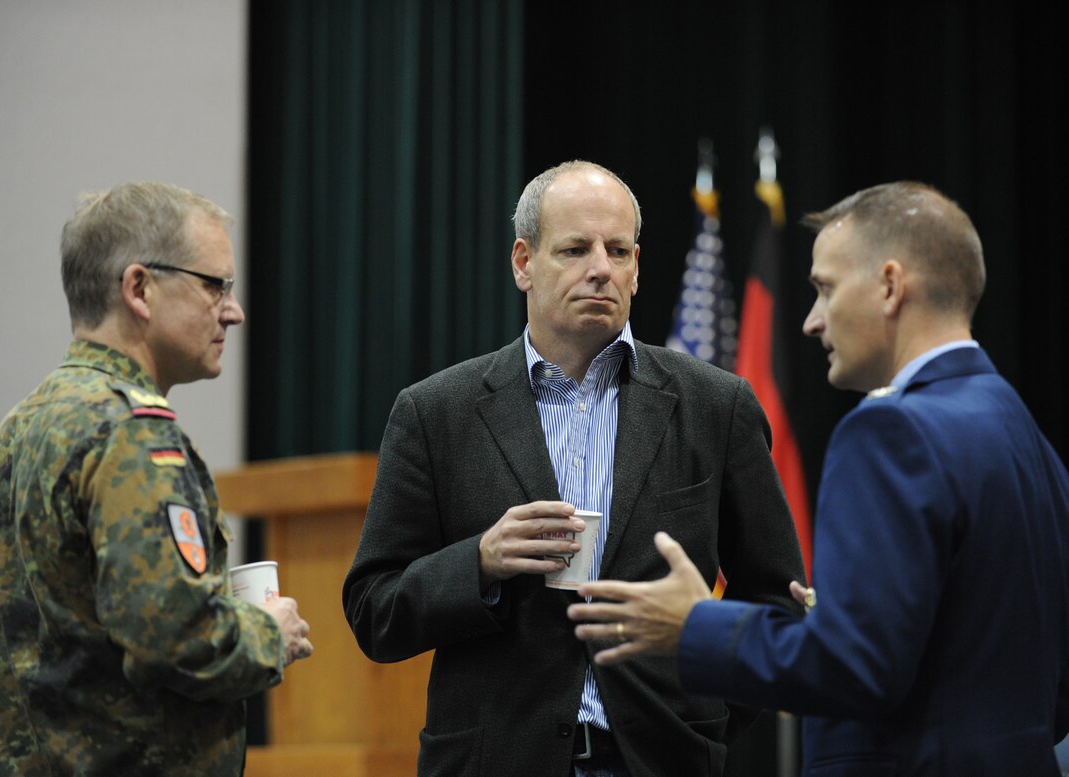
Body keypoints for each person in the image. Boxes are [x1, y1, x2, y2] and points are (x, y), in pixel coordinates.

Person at [569, 181, 1069, 776]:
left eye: (825, 290)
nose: (810, 322)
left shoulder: (890, 433)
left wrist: (697, 625)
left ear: (889, 286)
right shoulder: (1024, 433)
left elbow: (857, 669)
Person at [343, 160, 805, 777]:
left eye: (618, 251)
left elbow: (777, 599)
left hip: (661, 760)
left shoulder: (715, 406)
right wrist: (479, 561)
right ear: (523, 262)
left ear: (637, 267)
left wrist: (708, 722)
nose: (600, 269)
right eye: (575, 249)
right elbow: (374, 609)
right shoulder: (436, 412)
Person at [0, 181, 314, 776]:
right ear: (139, 288)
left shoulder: (18, 428)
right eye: (215, 285)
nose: (232, 310)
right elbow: (175, 638)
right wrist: (268, 633)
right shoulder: (130, 433)